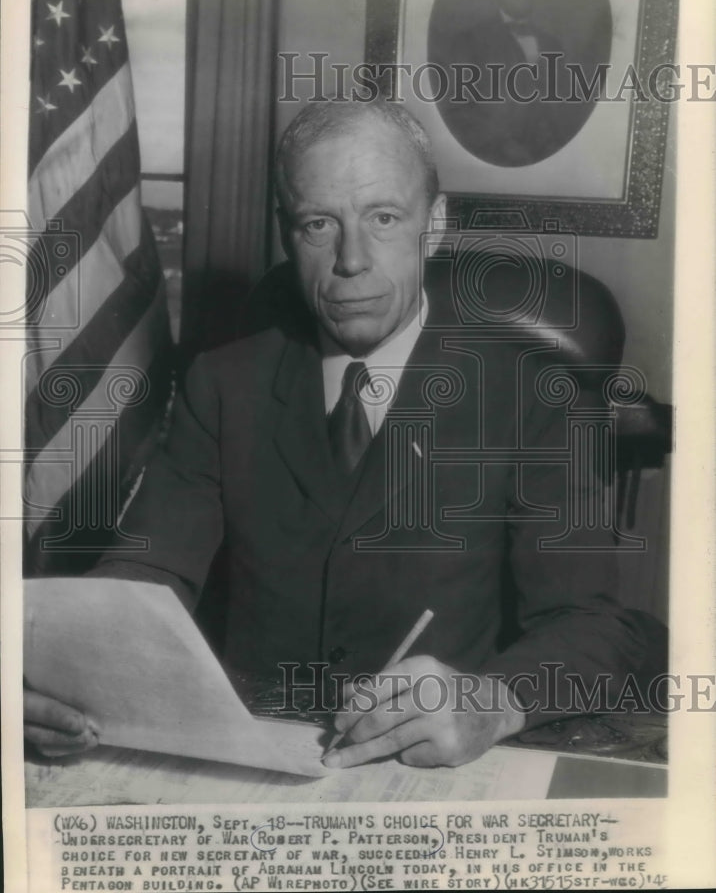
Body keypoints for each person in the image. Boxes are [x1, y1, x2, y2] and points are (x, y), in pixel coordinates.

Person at [24, 99, 649, 769]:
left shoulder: (532, 398)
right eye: (319, 223)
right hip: (253, 758)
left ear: (432, 226)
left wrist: (492, 701)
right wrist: (68, 677)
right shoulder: (223, 383)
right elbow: (144, 578)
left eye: (383, 218)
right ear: (288, 235)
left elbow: (595, 629)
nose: (351, 260)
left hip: (430, 769)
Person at [434, 0, 577, 166]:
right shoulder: (471, 42)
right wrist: (503, 147)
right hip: (492, 158)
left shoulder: (552, 45)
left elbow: (558, 112)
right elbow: (459, 112)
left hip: (546, 162)